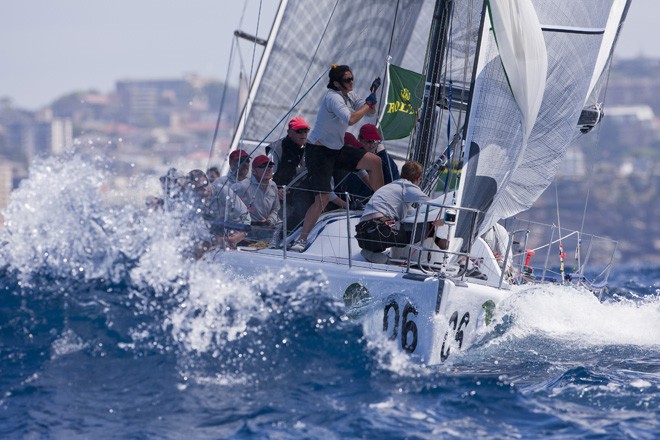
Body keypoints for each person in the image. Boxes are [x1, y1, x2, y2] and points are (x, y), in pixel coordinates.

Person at [290, 64, 384, 252]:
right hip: (318, 153)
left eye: (352, 78)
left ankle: (383, 203)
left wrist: (371, 100)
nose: (351, 82)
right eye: (347, 80)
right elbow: (351, 119)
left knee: (375, 161)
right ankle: (301, 240)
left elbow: (370, 113)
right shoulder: (332, 98)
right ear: (336, 83)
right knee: (322, 199)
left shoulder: (349, 94)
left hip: (337, 149)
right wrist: (367, 104)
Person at [355, 161, 445, 263]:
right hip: (381, 227)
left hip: (363, 232)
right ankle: (441, 245)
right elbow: (432, 204)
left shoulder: (390, 187)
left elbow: (412, 213)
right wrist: (443, 219)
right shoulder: (407, 186)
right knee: (423, 227)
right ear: (419, 178)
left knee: (401, 223)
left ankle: (372, 253)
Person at [187, 169, 251, 256]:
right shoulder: (193, 203)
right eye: (200, 188)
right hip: (213, 244)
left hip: (237, 239)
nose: (205, 189)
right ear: (194, 190)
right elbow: (198, 230)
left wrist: (243, 234)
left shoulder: (224, 191)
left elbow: (244, 213)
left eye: (206, 184)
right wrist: (215, 240)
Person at [342, 124, 399, 199]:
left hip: (373, 203)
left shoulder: (385, 161)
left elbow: (393, 183)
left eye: (374, 141)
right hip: (350, 203)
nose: (372, 145)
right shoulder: (355, 155)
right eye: (369, 141)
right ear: (360, 140)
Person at [231, 155, 281, 242]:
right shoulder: (243, 186)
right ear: (253, 171)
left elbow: (276, 209)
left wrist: (270, 220)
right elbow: (227, 202)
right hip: (246, 233)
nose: (268, 169)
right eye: (263, 167)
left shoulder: (273, 185)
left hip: (266, 232)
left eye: (270, 166)